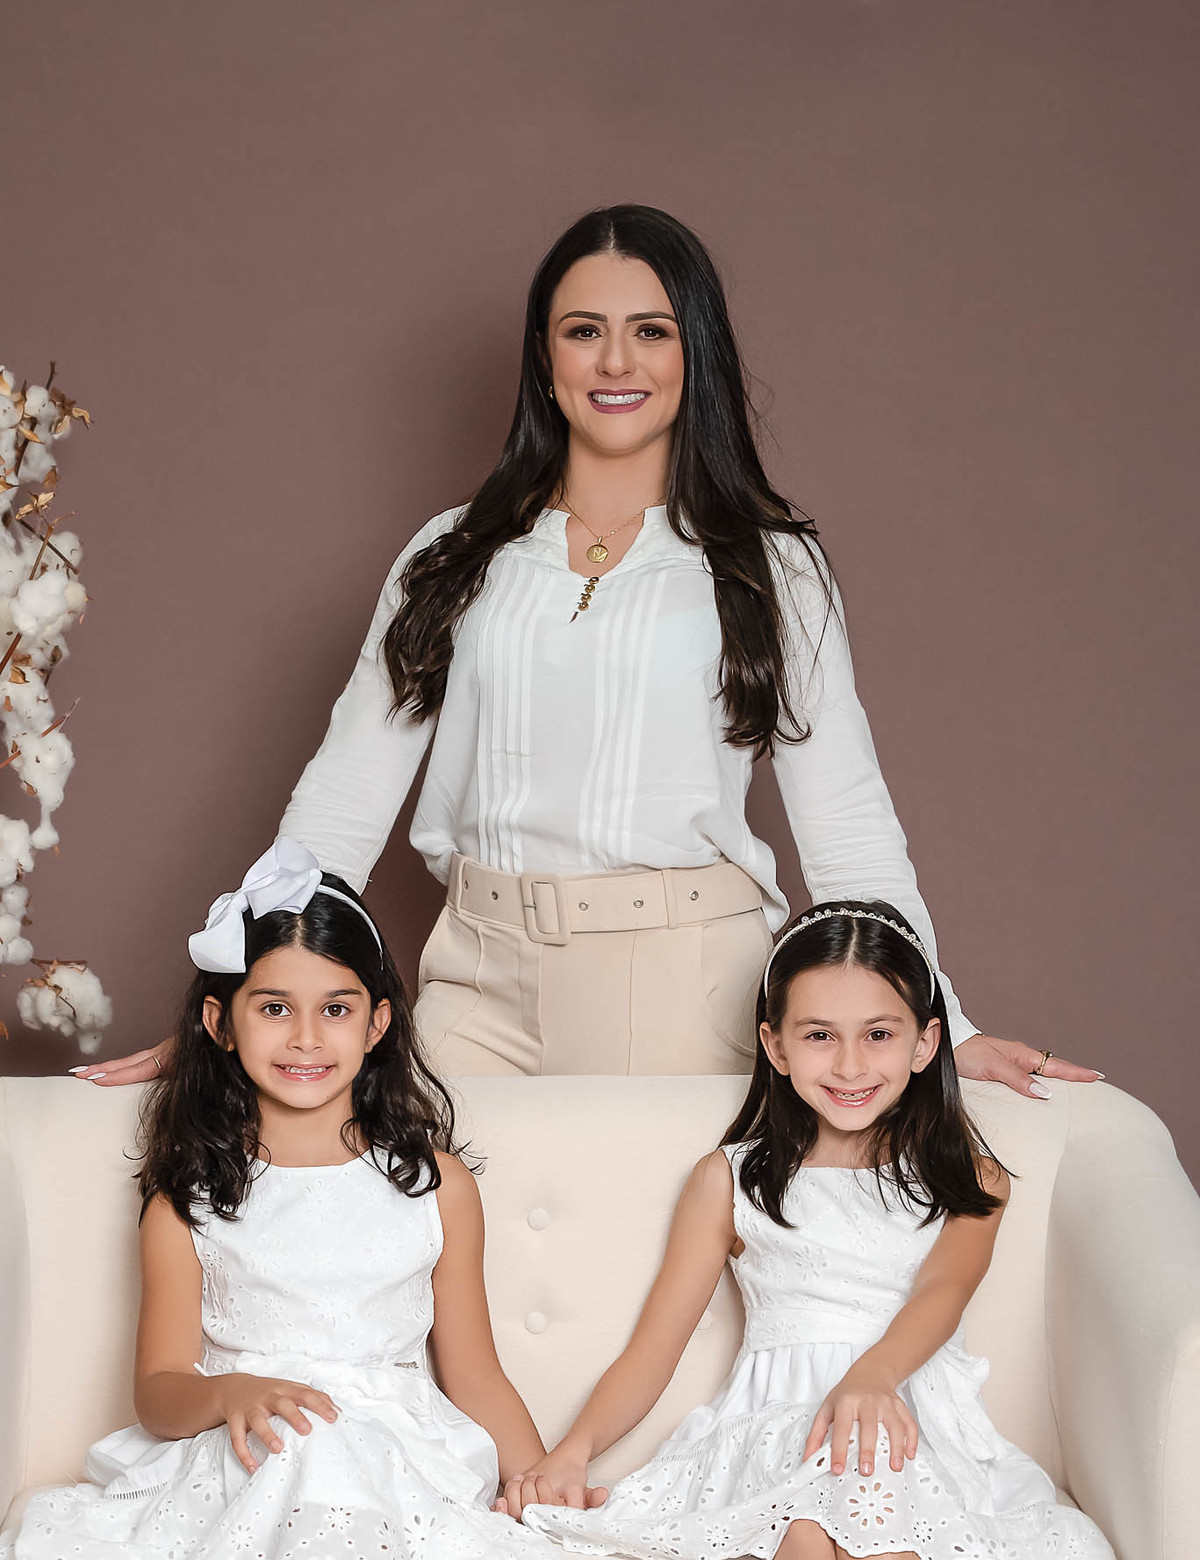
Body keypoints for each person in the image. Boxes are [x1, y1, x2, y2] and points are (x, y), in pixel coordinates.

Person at [73, 204, 1100, 1094]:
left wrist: (943, 1020)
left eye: (651, 331)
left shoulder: (769, 565)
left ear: (695, 353)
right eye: (584, 331)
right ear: (544, 356)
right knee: (425, 1240)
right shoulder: (450, 553)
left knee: (652, 1259)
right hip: (475, 977)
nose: (616, 362)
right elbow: (345, 796)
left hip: (688, 983)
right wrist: (234, 998)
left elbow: (846, 820)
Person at [504, 900, 1120, 1560]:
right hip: (777, 1423)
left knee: (842, 1492)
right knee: (815, 1509)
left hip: (910, 1413)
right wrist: (573, 1450)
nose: (851, 1064)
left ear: (927, 1043)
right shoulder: (732, 1179)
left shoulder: (968, 1175)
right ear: (776, 1044)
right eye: (820, 1036)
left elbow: (943, 1295)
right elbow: (654, 1349)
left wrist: (873, 1378)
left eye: (879, 1034)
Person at [0, 838, 566, 1560]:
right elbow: (159, 1392)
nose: (306, 1038)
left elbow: (472, 1369)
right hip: (241, 1453)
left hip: (397, 1457)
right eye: (274, 1008)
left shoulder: (433, 1184)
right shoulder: (189, 1198)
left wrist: (536, 1475)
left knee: (321, 1469)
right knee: (303, 1450)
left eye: (335, 1009)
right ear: (219, 1024)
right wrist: (233, 1391)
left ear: (378, 1022)